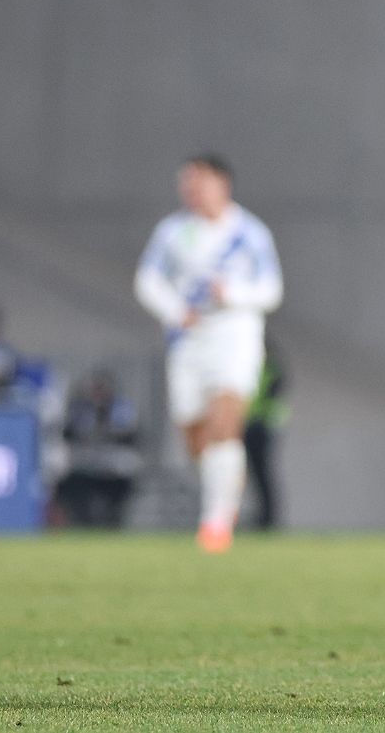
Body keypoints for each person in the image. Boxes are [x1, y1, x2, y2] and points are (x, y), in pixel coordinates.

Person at [134, 154, 282, 553]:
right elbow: (147, 279)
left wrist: (231, 294)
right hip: (189, 340)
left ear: (222, 184)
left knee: (224, 419)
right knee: (195, 435)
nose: (191, 190)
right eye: (186, 183)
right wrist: (173, 311)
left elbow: (272, 290)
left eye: (198, 182)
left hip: (234, 335)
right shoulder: (173, 231)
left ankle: (216, 522)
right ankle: (225, 489)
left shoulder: (249, 233)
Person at [54, 369, 142, 528]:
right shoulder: (80, 407)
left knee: (122, 476)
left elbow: (130, 433)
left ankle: (112, 517)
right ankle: (81, 519)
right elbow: (69, 432)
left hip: (113, 461)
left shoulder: (120, 407)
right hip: (84, 461)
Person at [242, 335, 288, 530]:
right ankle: (262, 516)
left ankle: (268, 517)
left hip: (263, 426)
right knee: (255, 473)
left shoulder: (270, 370)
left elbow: (269, 398)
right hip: (249, 424)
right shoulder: (250, 369)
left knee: (263, 472)